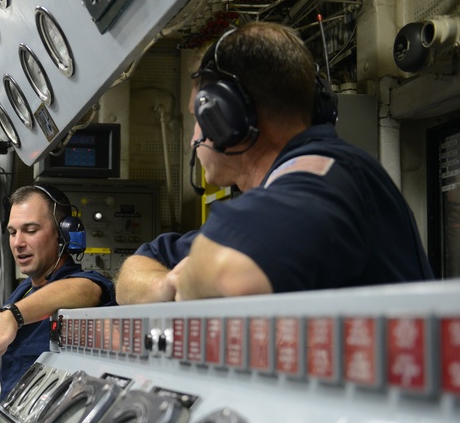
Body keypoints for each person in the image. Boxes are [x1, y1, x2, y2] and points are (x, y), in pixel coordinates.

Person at [116, 22, 433, 303]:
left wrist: (196, 271)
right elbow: (134, 271)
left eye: (196, 118)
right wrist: (168, 282)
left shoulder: (327, 175)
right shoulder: (280, 199)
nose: (192, 138)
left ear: (224, 116)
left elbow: (226, 274)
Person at [0, 184, 116, 412]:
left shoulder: (83, 284)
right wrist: (3, 407)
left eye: (31, 230)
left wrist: (13, 316)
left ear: (63, 234)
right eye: (13, 232)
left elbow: (88, 289)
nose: (17, 242)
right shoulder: (23, 292)